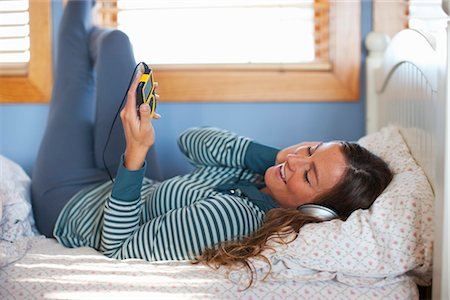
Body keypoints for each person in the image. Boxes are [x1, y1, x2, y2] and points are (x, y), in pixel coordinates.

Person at [32, 0, 393, 263]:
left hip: (71, 201)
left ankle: (78, 21)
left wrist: (136, 156)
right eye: (312, 150)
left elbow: (118, 248)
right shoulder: (261, 176)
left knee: (75, 86)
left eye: (309, 174)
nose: (296, 160)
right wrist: (275, 157)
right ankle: (85, 31)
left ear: (315, 212)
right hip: (139, 184)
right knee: (115, 44)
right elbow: (192, 140)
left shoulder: (231, 217)